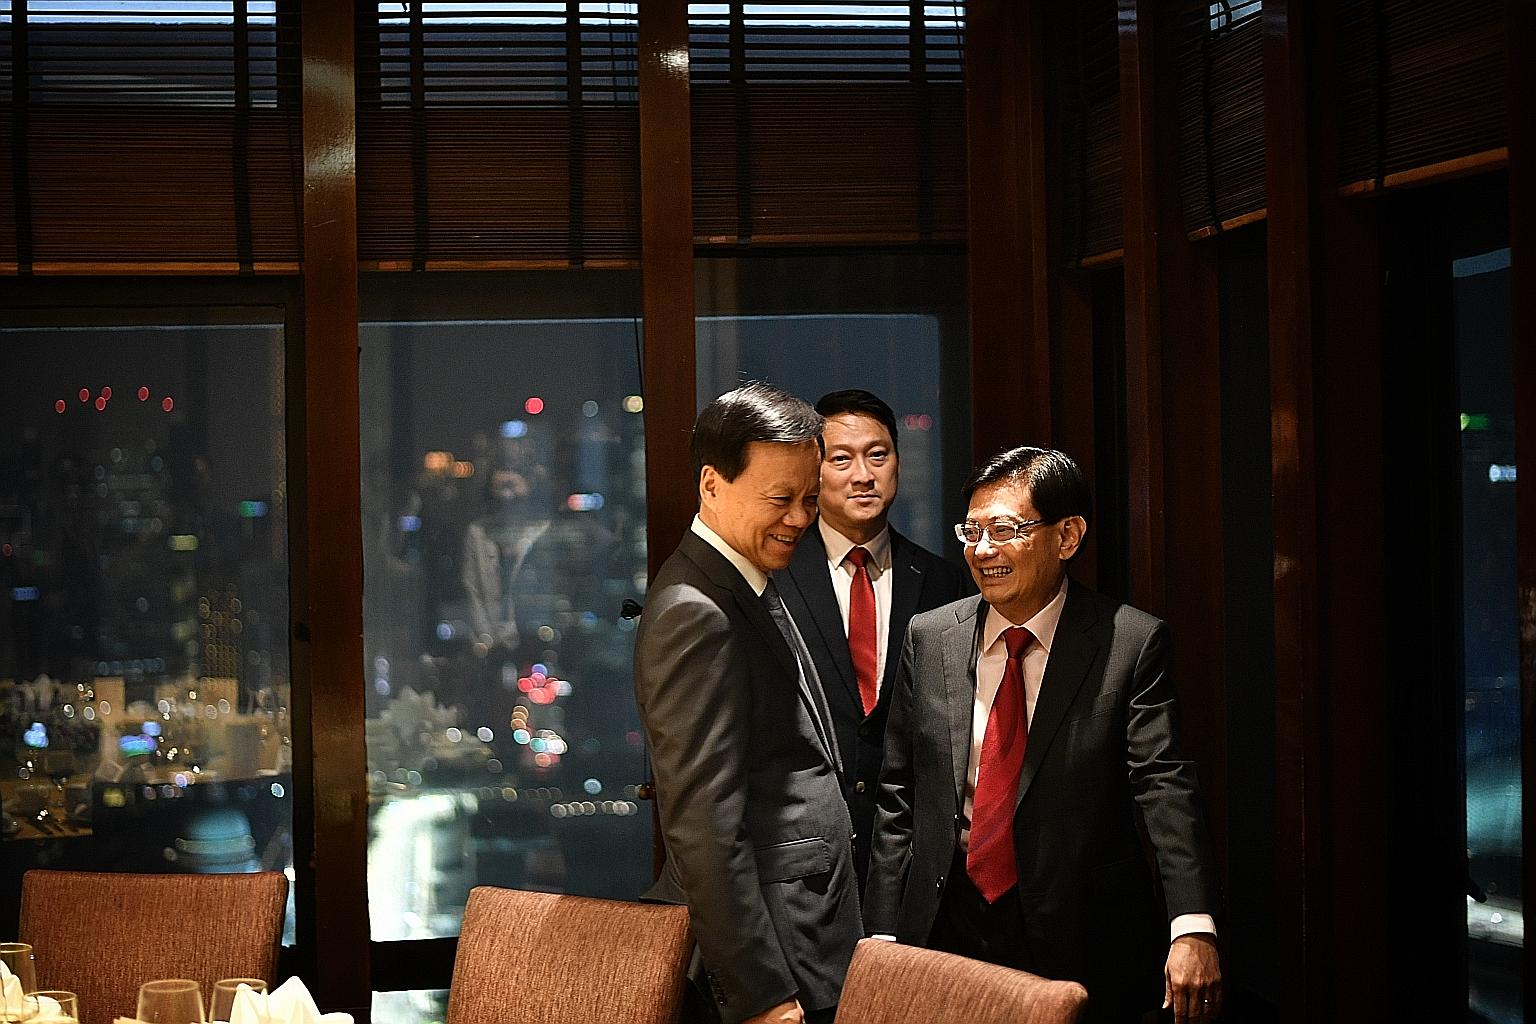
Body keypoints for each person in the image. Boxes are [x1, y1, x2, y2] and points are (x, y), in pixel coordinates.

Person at [864, 446, 1223, 1024]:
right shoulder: (930, 638)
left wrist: (1192, 925)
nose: (983, 551)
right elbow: (897, 795)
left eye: (1004, 530)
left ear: (1067, 536)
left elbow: (1165, 787)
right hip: (945, 921)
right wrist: (882, 933)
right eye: (971, 531)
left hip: (1080, 928)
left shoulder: (1128, 643)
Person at [634, 383, 862, 1024]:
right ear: (711, 485)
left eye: (809, 499)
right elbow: (704, 825)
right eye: (779, 499)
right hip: (775, 955)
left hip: (805, 929)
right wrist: (760, 993)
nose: (799, 518)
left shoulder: (746, 580)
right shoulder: (695, 610)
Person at [775, 389, 969, 888]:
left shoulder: (943, 582)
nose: (863, 475)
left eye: (877, 455)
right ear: (814, 469)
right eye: (841, 459)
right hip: (804, 854)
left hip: (910, 855)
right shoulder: (774, 577)